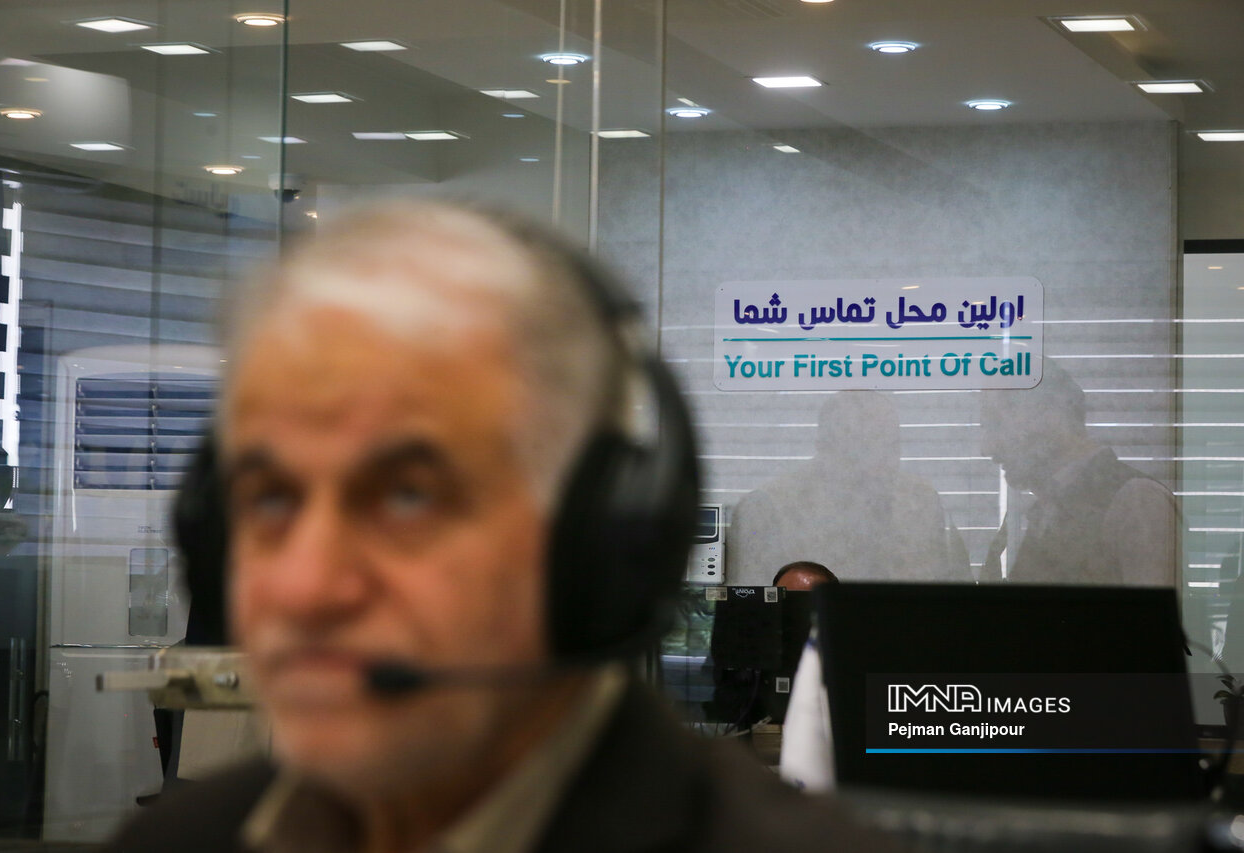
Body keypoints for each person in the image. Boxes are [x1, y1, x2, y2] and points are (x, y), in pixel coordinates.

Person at [104, 201, 900, 853]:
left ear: (594, 542)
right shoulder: (175, 840)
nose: (306, 585)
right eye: (270, 499)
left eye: (408, 497)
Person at [726, 391, 962, 584]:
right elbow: (750, 607)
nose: (880, 462)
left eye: (890, 445)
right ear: (825, 448)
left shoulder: (920, 501)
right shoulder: (769, 507)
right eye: (863, 446)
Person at [979, 359, 1177, 586]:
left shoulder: (1136, 502)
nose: (986, 448)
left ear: (1051, 415)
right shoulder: (1050, 509)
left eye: (996, 424)